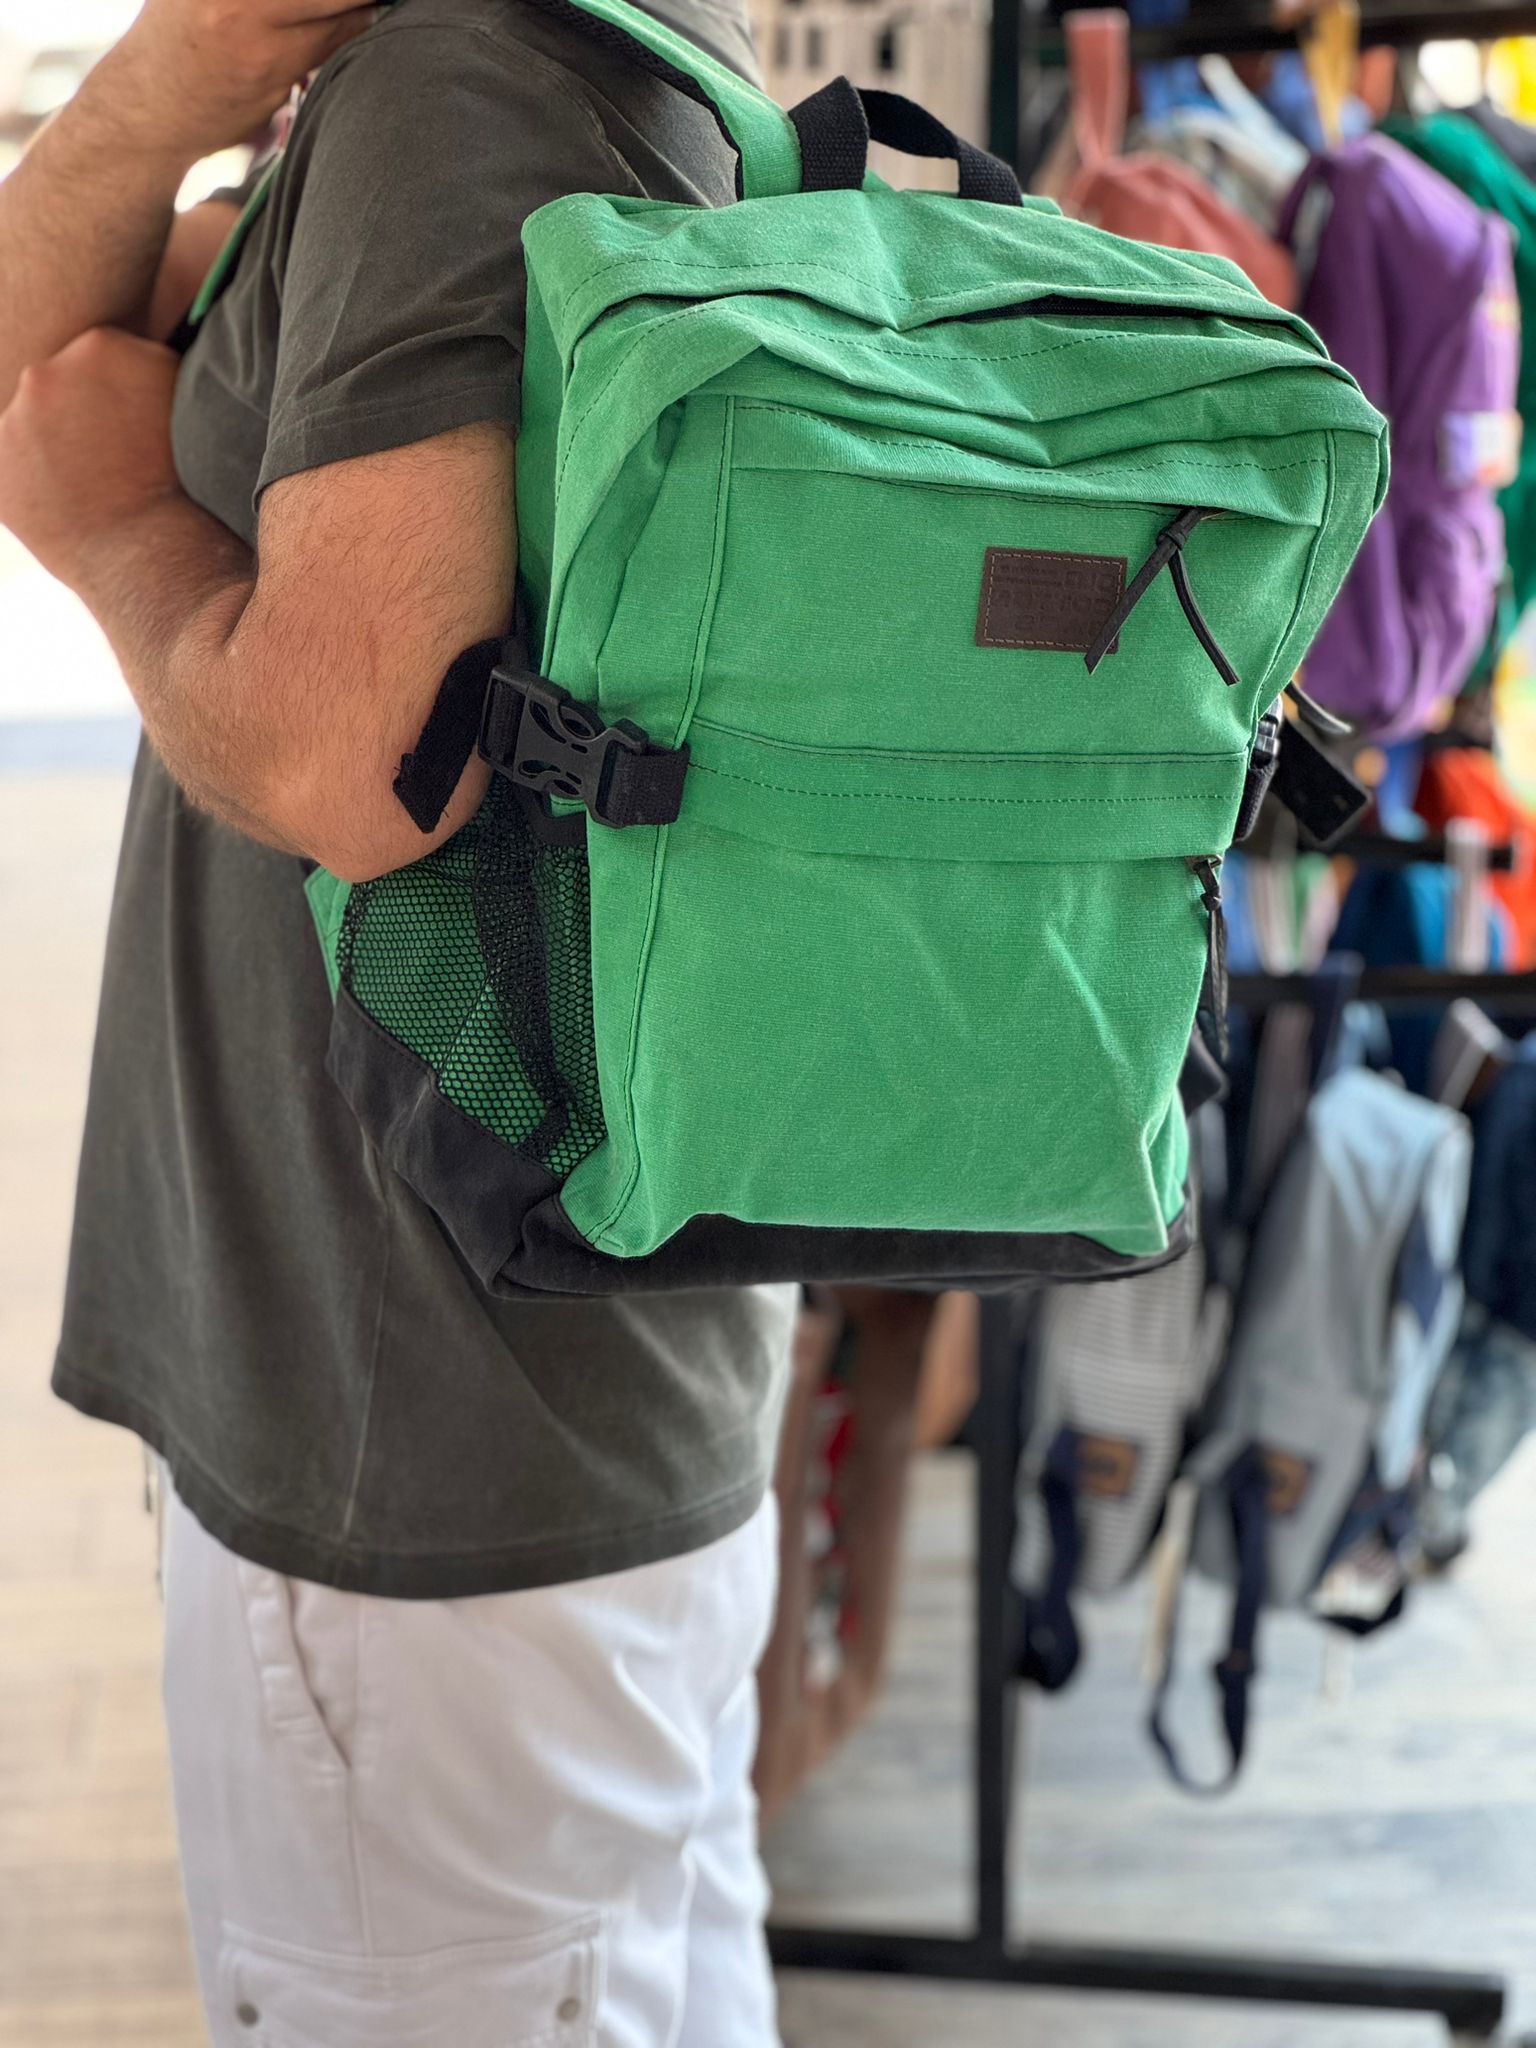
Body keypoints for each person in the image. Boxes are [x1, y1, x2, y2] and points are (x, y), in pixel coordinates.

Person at [0, 0, 796, 2040]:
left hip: (427, 1476)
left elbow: (363, 762)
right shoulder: (600, 56)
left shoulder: (464, 85)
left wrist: (112, 534)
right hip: (565, 1405)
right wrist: (183, 69)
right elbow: (33, 345)